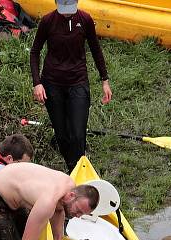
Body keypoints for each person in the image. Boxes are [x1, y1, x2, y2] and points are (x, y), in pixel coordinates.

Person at [29, 0, 112, 172]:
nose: (67, 13)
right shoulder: (47, 21)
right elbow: (35, 51)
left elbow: (95, 49)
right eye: (64, 9)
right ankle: (71, 169)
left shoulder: (85, 19)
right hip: (52, 83)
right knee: (62, 134)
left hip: (78, 80)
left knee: (77, 133)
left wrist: (105, 80)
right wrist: (37, 83)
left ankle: (79, 170)